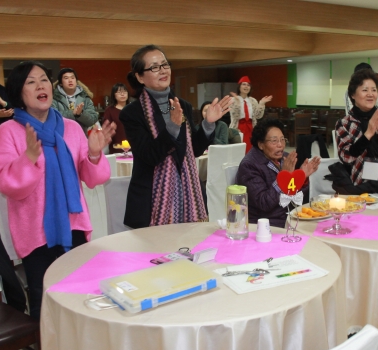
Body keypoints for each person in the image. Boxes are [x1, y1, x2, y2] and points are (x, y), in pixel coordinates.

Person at [0, 61, 115, 319]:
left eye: (44, 80)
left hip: (75, 225)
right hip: (35, 232)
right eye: (31, 82)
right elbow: (8, 185)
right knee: (45, 300)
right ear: (19, 92)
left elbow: (94, 178)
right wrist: (28, 159)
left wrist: (94, 154)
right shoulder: (8, 132)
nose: (40, 86)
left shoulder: (71, 128)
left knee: (81, 294)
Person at [120, 45, 232, 229]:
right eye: (154, 67)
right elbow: (150, 155)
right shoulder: (132, 113)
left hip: (187, 195)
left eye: (165, 64)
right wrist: (172, 126)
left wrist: (208, 124)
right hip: (149, 202)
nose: (163, 70)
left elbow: (194, 149)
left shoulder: (183, 105)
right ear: (140, 77)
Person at [236, 118, 320, 228]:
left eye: (282, 139)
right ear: (261, 144)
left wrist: (302, 176)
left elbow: (294, 196)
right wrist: (283, 177)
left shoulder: (285, 158)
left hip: (291, 216)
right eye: (274, 141)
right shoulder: (250, 165)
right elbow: (263, 203)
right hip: (266, 224)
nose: (280, 145)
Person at [330, 69, 378, 194]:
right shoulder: (345, 123)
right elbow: (346, 157)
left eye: (374, 90)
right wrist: (368, 133)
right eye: (365, 90)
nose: (370, 94)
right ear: (353, 94)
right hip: (356, 187)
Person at [229, 76, 272, 153]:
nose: (246, 87)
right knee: (238, 151)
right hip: (238, 128)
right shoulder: (233, 100)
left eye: (248, 85)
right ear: (239, 87)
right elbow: (235, 115)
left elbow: (258, 116)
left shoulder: (253, 101)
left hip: (251, 128)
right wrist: (238, 102)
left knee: (251, 150)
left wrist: (262, 103)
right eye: (244, 84)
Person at [103, 83, 130, 153]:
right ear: (114, 95)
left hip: (133, 145)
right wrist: (110, 127)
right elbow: (105, 128)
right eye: (119, 92)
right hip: (116, 146)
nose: (122, 94)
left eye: (124, 92)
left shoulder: (133, 109)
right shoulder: (110, 110)